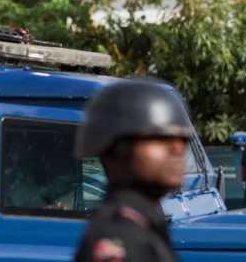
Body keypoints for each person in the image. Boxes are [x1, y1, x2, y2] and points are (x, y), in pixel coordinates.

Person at [73, 80, 193, 262]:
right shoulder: (118, 235)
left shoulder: (143, 224)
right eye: (160, 139)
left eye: (182, 140)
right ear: (115, 151)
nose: (177, 149)